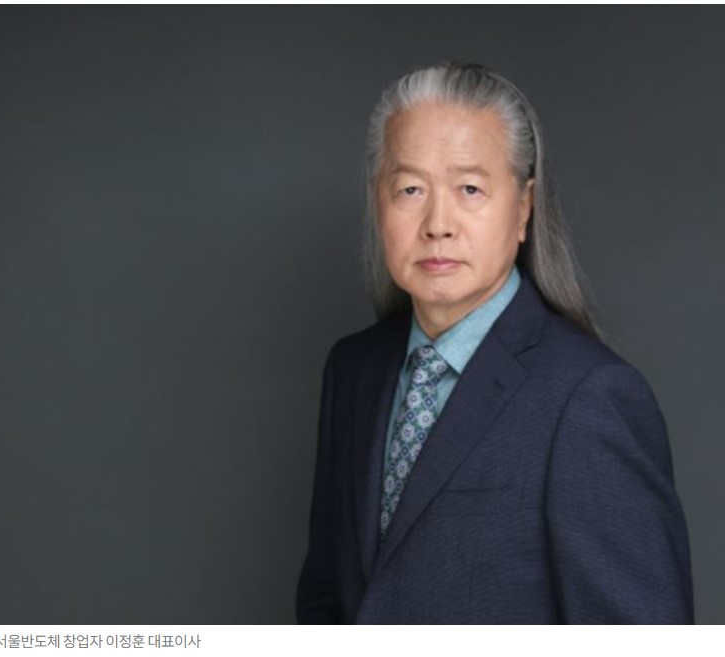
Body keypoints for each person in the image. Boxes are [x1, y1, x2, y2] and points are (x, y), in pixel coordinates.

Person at [296, 62, 694, 624]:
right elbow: (327, 602)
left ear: (523, 208)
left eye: (470, 189)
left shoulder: (589, 397)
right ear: (377, 202)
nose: (438, 223)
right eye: (410, 189)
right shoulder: (354, 370)